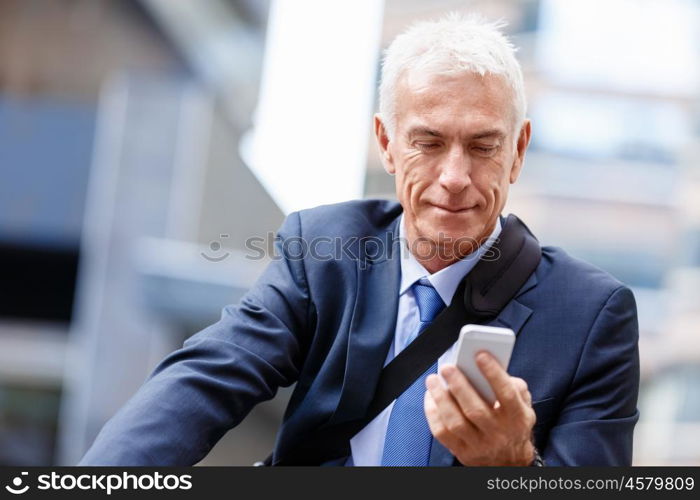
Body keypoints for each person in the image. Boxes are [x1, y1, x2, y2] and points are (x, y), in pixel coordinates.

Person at [79, 13, 639, 466]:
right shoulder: (322, 249)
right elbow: (203, 381)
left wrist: (511, 463)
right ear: (386, 143)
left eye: (483, 146)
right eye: (428, 141)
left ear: (518, 151)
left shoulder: (592, 316)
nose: (454, 176)